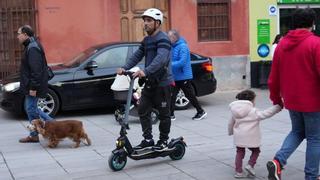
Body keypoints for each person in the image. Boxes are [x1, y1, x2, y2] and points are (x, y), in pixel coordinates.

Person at [267, 8, 320, 180]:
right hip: (313, 101)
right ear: (313, 23)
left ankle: (278, 161)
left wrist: (276, 98)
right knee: (315, 138)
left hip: (292, 100)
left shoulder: (282, 44)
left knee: (297, 131)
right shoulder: (316, 43)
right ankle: (311, 176)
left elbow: (273, 77)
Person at [116, 8, 173, 150]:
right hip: (150, 82)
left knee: (164, 114)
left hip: (162, 83)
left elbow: (161, 59)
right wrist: (125, 68)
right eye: (144, 21)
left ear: (157, 23)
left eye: (149, 21)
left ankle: (163, 141)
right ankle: (148, 139)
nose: (145, 24)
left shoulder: (163, 38)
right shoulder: (147, 40)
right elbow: (137, 55)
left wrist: (145, 71)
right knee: (143, 109)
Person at [228, 90, 281, 178]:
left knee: (240, 152)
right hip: (251, 136)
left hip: (239, 136)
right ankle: (250, 165)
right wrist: (277, 107)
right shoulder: (253, 111)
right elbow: (266, 114)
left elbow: (230, 123)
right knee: (256, 151)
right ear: (251, 101)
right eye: (254, 100)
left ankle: (238, 172)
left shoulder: (234, 111)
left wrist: (230, 132)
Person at [17, 25, 53, 143]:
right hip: (31, 85)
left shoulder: (32, 48)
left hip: (33, 86)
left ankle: (54, 126)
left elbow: (36, 71)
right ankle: (35, 134)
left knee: (31, 108)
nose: (17, 36)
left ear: (25, 34)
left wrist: (33, 88)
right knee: (31, 108)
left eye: (19, 34)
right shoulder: (31, 45)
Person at [168, 29, 207, 121]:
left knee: (190, 95)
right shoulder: (172, 46)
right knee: (172, 95)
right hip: (176, 76)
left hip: (183, 76)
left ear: (174, 37)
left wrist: (169, 64)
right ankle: (170, 114)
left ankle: (201, 111)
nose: (167, 38)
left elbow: (182, 62)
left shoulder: (183, 46)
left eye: (169, 36)